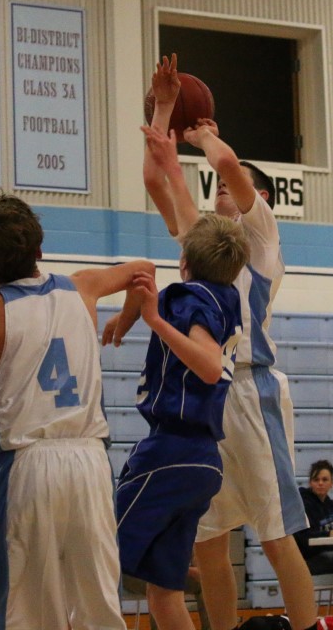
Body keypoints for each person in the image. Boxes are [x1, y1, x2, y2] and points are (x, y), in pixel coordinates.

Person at [0, 192, 153, 630]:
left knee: (11, 610)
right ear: (39, 249)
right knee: (97, 605)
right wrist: (126, 318)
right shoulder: (83, 286)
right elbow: (145, 271)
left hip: (26, 464)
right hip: (89, 462)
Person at [142, 54, 319, 630]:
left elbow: (229, 168)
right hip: (207, 393)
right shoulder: (204, 239)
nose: (220, 186)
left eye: (230, 185)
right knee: (209, 541)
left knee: (275, 534)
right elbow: (156, 178)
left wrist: (204, 136)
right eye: (216, 185)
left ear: (256, 196)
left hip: (252, 390)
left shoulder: (260, 236)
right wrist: (164, 111)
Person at [109, 212, 248, 630]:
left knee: (95, 556)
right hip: (203, 460)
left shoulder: (186, 297)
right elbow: (143, 278)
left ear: (185, 261)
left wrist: (150, 320)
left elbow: (208, 366)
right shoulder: (228, 297)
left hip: (169, 450)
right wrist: (127, 317)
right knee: (163, 592)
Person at [295, 460, 333, 576]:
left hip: (332, 553)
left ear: (331, 483)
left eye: (324, 480)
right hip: (311, 558)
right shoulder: (302, 505)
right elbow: (303, 538)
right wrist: (329, 534)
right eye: (316, 480)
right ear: (310, 483)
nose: (320, 483)